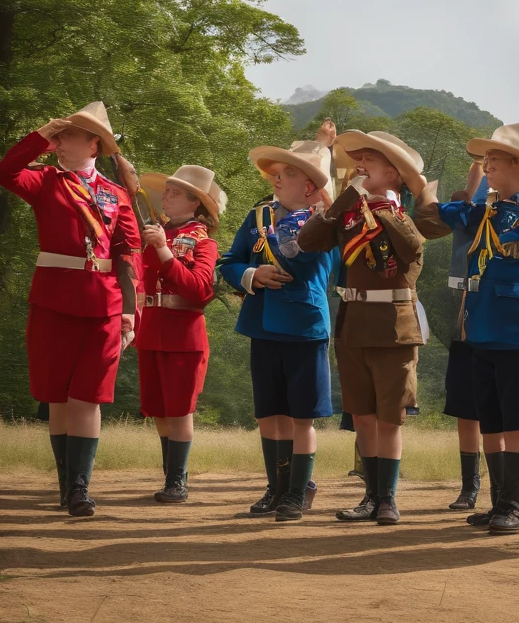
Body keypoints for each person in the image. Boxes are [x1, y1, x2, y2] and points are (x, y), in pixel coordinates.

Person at [415, 122, 519, 535]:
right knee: (489, 420)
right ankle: (497, 503)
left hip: (518, 331)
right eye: (486, 160)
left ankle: (515, 506)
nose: (486, 166)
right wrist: (424, 187)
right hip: (480, 328)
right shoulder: (486, 210)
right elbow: (441, 213)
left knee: (517, 421)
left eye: (494, 160)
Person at [0, 103, 141, 517]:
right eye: (55, 138)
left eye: (67, 136)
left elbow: (130, 252)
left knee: (88, 397)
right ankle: (65, 486)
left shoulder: (116, 194)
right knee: (58, 396)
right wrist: (40, 135)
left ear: (94, 144)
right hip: (54, 302)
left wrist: (132, 310)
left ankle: (80, 489)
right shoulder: (45, 181)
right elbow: (3, 172)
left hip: (105, 305)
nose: (57, 144)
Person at [297, 130, 427, 526]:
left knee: (390, 418)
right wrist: (344, 201)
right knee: (364, 418)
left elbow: (412, 248)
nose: (360, 164)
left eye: (369, 159)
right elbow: (309, 240)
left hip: (393, 327)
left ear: (393, 173)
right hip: (353, 326)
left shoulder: (399, 214)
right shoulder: (349, 214)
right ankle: (370, 497)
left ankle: (388, 498)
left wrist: (381, 207)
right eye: (358, 159)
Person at [219, 140, 339, 522]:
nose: (276, 178)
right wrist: (252, 274)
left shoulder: (327, 223)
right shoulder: (258, 215)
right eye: (276, 172)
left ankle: (296, 492)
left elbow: (314, 267)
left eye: (288, 173)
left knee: (301, 417)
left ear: (309, 187)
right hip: (262, 323)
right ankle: (276, 488)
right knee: (269, 415)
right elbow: (230, 261)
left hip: (304, 327)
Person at [135, 165, 225, 503]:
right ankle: (168, 474)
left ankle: (178, 482)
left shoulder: (204, 242)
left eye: (174, 193)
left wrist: (162, 250)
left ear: (195, 203)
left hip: (184, 333)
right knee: (158, 409)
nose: (166, 197)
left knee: (179, 410)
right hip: (153, 327)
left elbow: (199, 290)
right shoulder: (155, 232)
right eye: (167, 191)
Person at [443, 161, 488, 511]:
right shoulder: (465, 210)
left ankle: (507, 486)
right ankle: (469, 485)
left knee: (501, 407)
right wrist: (470, 191)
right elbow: (441, 212)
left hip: (503, 316)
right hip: (466, 310)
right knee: (465, 406)